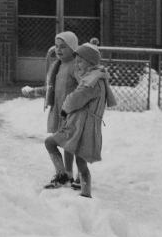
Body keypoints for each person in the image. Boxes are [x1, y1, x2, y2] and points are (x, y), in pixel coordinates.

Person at [43, 42, 118, 197]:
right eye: (76, 61)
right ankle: (82, 189)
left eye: (80, 61)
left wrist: (64, 109)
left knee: (52, 144)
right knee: (80, 161)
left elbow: (75, 99)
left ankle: (73, 182)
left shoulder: (91, 82)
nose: (76, 64)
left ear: (90, 62)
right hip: (83, 126)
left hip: (81, 127)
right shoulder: (96, 77)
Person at [22, 31, 79, 188]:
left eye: (63, 47)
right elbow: (51, 89)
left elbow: (85, 88)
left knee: (54, 143)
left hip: (72, 115)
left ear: (73, 48)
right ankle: (67, 175)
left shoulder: (76, 66)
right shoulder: (58, 66)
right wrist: (34, 91)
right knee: (67, 145)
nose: (58, 50)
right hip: (60, 113)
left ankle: (68, 175)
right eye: (56, 46)